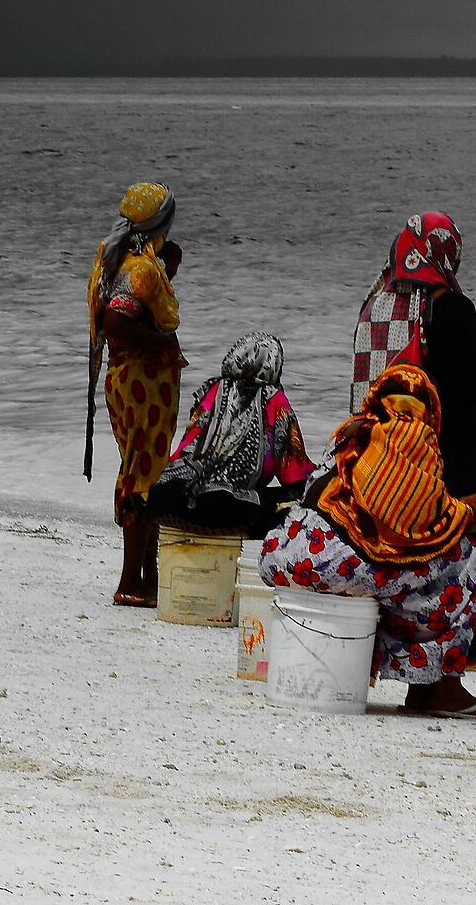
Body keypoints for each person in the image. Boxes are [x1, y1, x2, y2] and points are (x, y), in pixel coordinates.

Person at [259, 364, 476, 718]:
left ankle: (421, 686)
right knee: (460, 554)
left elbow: (386, 508)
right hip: (335, 561)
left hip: (289, 550)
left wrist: (471, 503)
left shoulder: (355, 430)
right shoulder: (408, 435)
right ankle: (441, 685)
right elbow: (419, 527)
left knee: (430, 548)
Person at [352, 211, 476, 496]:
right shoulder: (453, 308)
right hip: (441, 464)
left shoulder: (375, 305)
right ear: (448, 253)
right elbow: (473, 383)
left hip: (382, 462)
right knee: (444, 534)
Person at [87, 182, 183, 604]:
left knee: (141, 470)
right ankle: (130, 583)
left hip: (124, 380)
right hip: (143, 381)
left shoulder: (115, 256)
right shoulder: (140, 268)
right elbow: (117, 321)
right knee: (144, 476)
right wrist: (165, 345)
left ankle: (148, 578)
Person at [146, 332, 317, 539]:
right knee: (299, 505)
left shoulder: (211, 390)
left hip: (164, 498)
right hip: (223, 509)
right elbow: (294, 471)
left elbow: (188, 446)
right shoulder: (274, 400)